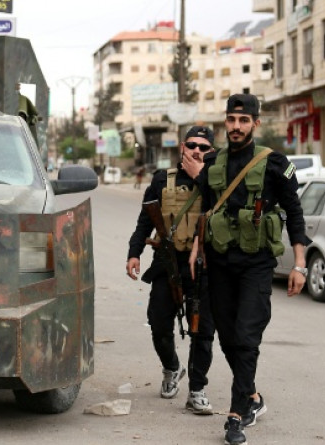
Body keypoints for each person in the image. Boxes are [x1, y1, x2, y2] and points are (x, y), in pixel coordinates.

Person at [189, 94, 310, 445]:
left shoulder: (275, 163)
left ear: (255, 123)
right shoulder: (214, 162)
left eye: (243, 121)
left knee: (246, 336)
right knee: (228, 336)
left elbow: (295, 214)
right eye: (231, 120)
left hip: (256, 264)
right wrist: (197, 249)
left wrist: (299, 264)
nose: (236, 126)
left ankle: (236, 415)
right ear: (225, 122)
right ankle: (252, 395)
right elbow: (205, 210)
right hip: (220, 262)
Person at [126, 126, 216, 414]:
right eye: (192, 145)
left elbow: (222, 209)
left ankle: (197, 389)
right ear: (182, 147)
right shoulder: (162, 179)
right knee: (158, 323)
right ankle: (172, 368)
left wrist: (201, 177)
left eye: (204, 147)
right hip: (168, 262)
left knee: (202, 330)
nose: (197, 151)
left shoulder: (217, 181)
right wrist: (134, 253)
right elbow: (145, 220)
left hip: (203, 267)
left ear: (211, 152)